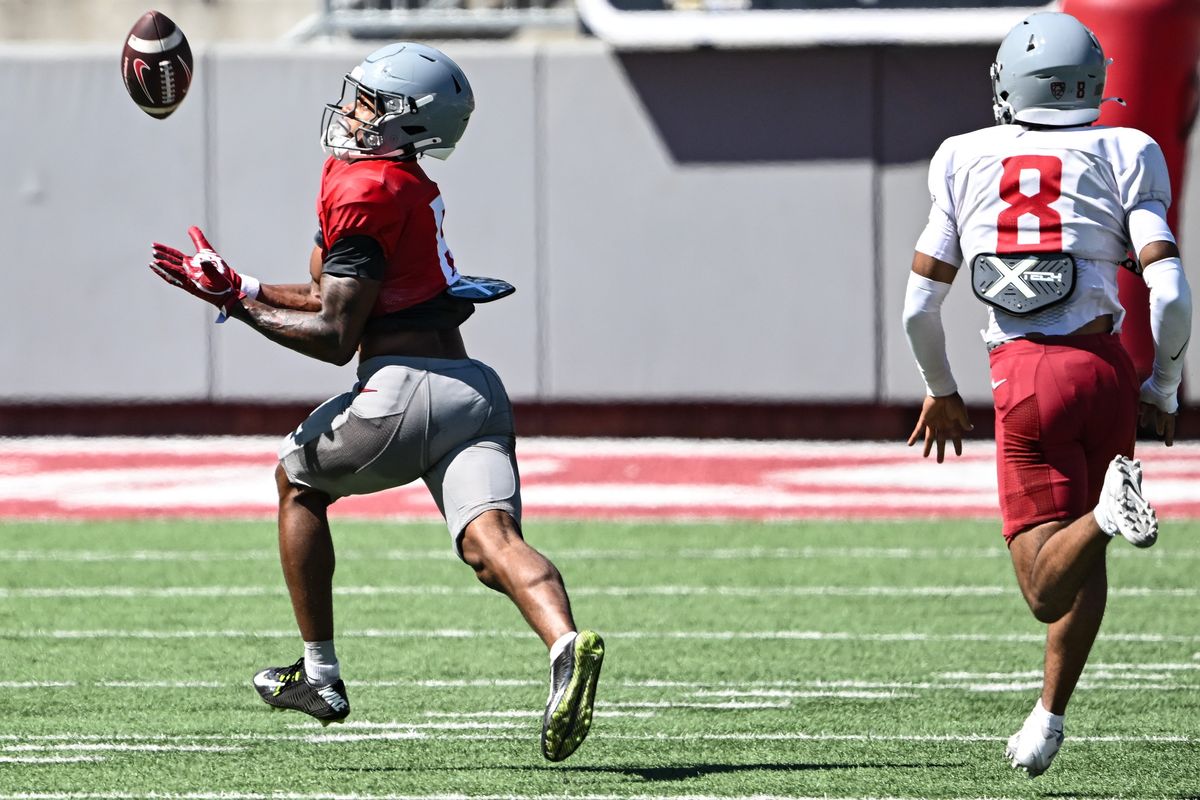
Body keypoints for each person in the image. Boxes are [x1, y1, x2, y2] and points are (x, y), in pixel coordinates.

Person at [148, 42, 604, 763]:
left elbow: (335, 333)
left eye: (371, 102)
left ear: (410, 121)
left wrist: (234, 304)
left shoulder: (364, 188)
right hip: (473, 392)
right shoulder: (400, 183)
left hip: (402, 388)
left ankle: (320, 676)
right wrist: (245, 282)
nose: (353, 110)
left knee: (296, 481)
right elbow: (337, 295)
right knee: (494, 545)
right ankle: (566, 644)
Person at [901, 12, 1191, 778]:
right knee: (1083, 562)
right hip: (1105, 370)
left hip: (1028, 374)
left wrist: (940, 390)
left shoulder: (963, 157)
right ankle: (1049, 715)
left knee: (1042, 585)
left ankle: (1105, 512)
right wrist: (1162, 383)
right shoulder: (1128, 149)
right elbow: (1169, 291)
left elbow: (917, 309)